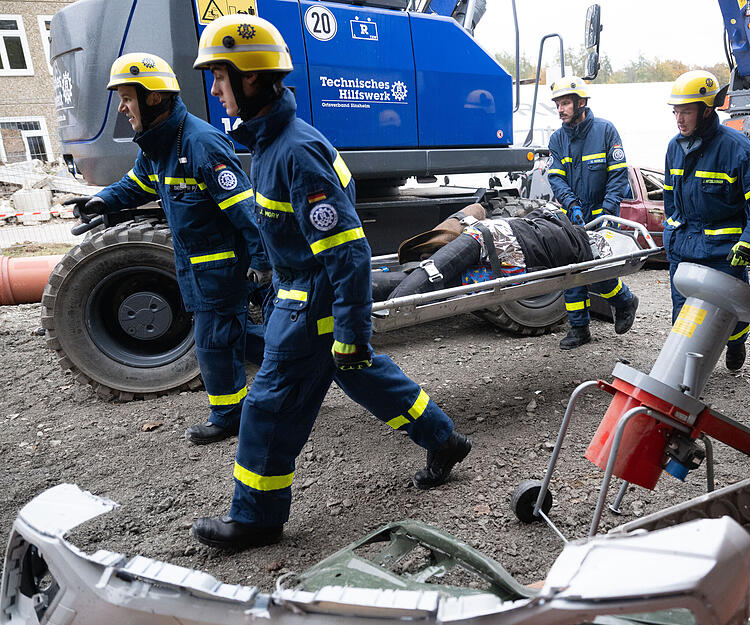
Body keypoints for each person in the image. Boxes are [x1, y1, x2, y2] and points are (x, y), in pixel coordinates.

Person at [189, 14, 471, 550]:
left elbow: (349, 254)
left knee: (267, 407)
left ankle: (256, 517)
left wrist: (351, 333)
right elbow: (296, 234)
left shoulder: (294, 152)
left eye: (221, 77)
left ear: (251, 77)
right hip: (304, 297)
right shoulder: (275, 144)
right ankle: (445, 440)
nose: (216, 89)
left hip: (311, 308)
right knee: (366, 377)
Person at [63, 53, 269, 445]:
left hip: (222, 270)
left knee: (212, 345)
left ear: (154, 97)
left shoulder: (201, 144)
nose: (122, 108)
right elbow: (137, 185)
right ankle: (301, 372)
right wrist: (102, 201)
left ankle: (230, 417)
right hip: (195, 270)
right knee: (237, 338)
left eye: (127, 98)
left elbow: (248, 214)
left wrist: (262, 265)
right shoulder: (157, 146)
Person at [663, 70, 750, 371]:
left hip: (724, 252)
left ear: (707, 109)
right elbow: (669, 198)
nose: (679, 119)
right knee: (683, 313)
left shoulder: (736, 146)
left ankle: (736, 342)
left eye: (686, 111)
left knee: (730, 313)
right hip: (684, 248)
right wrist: (671, 230)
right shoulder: (675, 147)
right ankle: (688, 370)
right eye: (676, 111)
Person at [388, 204, 634, 310]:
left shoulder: (560, 224)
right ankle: (388, 307)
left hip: (494, 237)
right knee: (437, 277)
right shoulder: (580, 254)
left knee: (432, 274)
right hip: (500, 250)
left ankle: (387, 305)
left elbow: (535, 215)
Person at [546, 77, 639, 349]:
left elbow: (618, 175)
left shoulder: (606, 131)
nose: (560, 109)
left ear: (581, 103)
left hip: (604, 215)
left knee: (601, 269)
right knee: (572, 271)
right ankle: (579, 329)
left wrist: (608, 211)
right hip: (574, 216)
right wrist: (571, 204)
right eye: (558, 104)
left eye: (565, 103)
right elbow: (556, 178)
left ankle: (624, 302)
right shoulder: (557, 139)